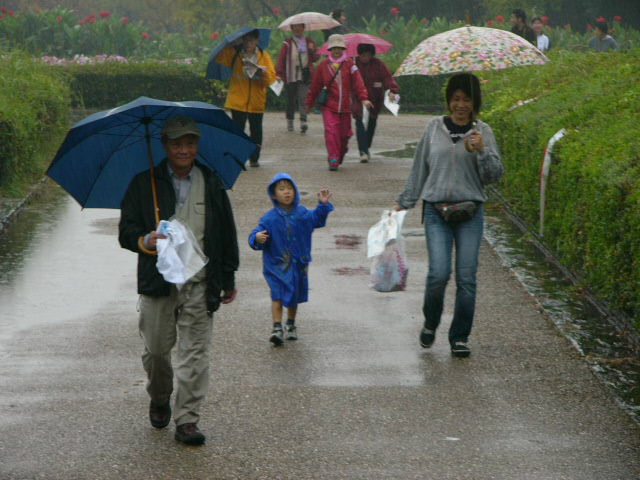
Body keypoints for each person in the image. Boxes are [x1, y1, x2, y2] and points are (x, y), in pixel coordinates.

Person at [118, 115, 239, 445]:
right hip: (158, 283)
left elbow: (225, 232)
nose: (184, 150)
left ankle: (187, 419)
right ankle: (159, 397)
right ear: (165, 146)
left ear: (197, 146)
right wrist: (145, 240)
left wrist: (228, 277)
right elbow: (126, 231)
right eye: (176, 144)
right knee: (157, 352)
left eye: (189, 143)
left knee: (195, 353)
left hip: (200, 282)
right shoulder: (144, 184)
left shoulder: (211, 182)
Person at [393, 73, 504, 358]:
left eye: (466, 99)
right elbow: (420, 168)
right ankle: (431, 323)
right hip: (436, 212)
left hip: (470, 212)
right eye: (455, 99)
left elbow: (494, 176)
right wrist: (404, 202)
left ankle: (460, 337)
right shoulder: (433, 128)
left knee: (467, 278)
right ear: (448, 101)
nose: (460, 105)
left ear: (475, 103)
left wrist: (482, 150)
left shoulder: (483, 131)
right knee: (438, 274)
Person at [248, 172, 334, 346]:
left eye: (289, 188)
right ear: (274, 194)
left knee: (294, 294)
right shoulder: (269, 219)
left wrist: (323, 206)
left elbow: (317, 219)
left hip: (298, 264)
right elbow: (256, 234)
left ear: (295, 191)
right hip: (276, 265)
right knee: (277, 294)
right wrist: (256, 238)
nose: (286, 192)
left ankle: (291, 323)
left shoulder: (302, 213)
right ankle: (277, 327)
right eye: (281, 189)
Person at [305, 34, 372, 171]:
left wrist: (364, 98)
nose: (336, 50)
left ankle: (340, 154)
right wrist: (309, 103)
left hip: (346, 108)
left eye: (339, 48)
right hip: (329, 107)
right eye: (334, 48)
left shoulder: (350, 64)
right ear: (330, 49)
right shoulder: (323, 66)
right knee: (331, 133)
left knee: (344, 135)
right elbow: (315, 86)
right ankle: (333, 159)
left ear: (343, 49)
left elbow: (358, 82)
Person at [215, 29, 276, 167]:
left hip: (256, 101)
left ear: (257, 41)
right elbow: (220, 58)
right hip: (237, 100)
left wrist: (263, 74)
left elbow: (271, 80)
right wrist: (230, 45)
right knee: (237, 131)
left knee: (256, 131)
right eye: (246, 40)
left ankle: (254, 158)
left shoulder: (264, 56)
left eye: (251, 40)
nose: (248, 43)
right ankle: (237, 158)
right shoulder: (235, 54)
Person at [351, 43, 400, 163]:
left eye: (368, 55)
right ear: (359, 55)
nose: (365, 58)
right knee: (360, 123)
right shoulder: (353, 64)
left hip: (374, 100)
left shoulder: (378, 64)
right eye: (363, 55)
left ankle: (366, 146)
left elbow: (387, 78)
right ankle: (363, 151)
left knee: (371, 124)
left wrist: (392, 90)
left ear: (372, 55)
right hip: (359, 99)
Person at [276, 23, 320, 134]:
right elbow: (281, 59)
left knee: (303, 98)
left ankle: (303, 121)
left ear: (303, 28)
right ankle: (290, 121)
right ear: (291, 28)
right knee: (290, 100)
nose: (297, 28)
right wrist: (279, 73)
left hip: (304, 75)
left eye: (299, 26)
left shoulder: (309, 41)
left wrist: (312, 50)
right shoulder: (287, 43)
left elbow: (316, 58)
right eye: (295, 26)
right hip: (290, 75)